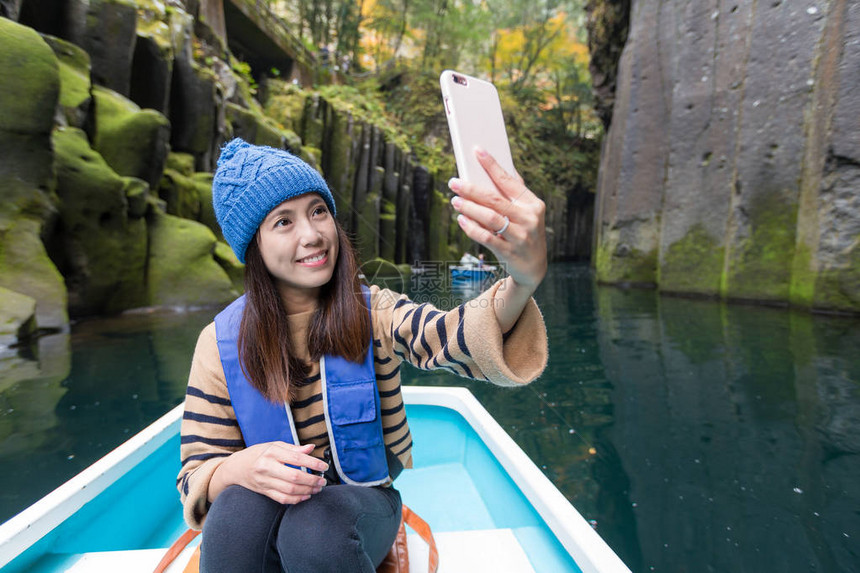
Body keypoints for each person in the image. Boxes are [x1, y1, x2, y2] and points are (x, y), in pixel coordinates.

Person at [177, 138, 549, 572]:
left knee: (314, 529)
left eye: (318, 211)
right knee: (232, 515)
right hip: (271, 513)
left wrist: (522, 280)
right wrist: (240, 467)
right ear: (253, 246)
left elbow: (449, 336)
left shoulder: (376, 312)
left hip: (357, 515)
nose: (312, 234)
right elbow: (197, 473)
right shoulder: (218, 343)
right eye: (283, 222)